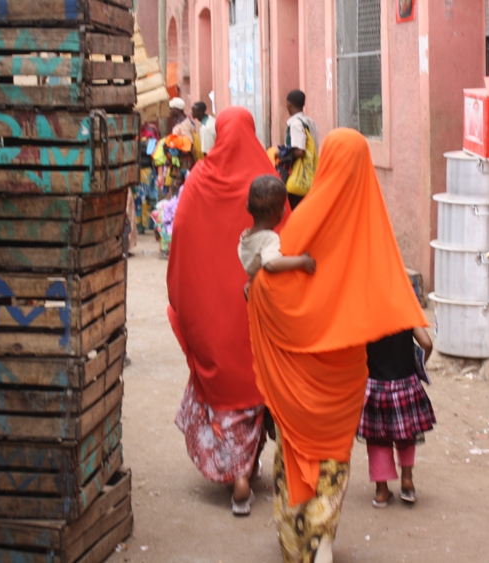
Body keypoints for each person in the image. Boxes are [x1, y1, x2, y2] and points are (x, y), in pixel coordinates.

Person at [247, 128, 427, 562]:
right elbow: (390, 291)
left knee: (293, 449)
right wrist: (420, 332)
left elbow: (265, 286)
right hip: (340, 382)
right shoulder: (371, 230)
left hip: (296, 381)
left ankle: (295, 537)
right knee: (331, 459)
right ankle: (321, 540)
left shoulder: (301, 222)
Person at [168, 107, 287, 517]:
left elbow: (181, 234)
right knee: (253, 388)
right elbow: (287, 237)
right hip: (253, 311)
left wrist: (191, 294)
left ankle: (238, 478)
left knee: (226, 391)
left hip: (211, 312)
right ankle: (247, 469)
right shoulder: (266, 176)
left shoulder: (199, 178)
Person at [359, 327, 436, 508]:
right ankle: (407, 481)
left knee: (377, 439)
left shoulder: (366, 313)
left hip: (374, 385)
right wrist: (418, 364)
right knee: (406, 432)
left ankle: (381, 491)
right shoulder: (405, 310)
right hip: (405, 383)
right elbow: (426, 343)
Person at [238, 175, 315, 279]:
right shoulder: (268, 238)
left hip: (256, 281)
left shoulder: (246, 235)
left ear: (248, 207)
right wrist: (302, 261)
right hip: (269, 285)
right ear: (282, 213)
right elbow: (270, 264)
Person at [284, 89, 319, 209]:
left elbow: (300, 151)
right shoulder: (310, 122)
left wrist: (281, 154)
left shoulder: (296, 124)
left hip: (298, 177)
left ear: (289, 104)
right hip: (311, 173)